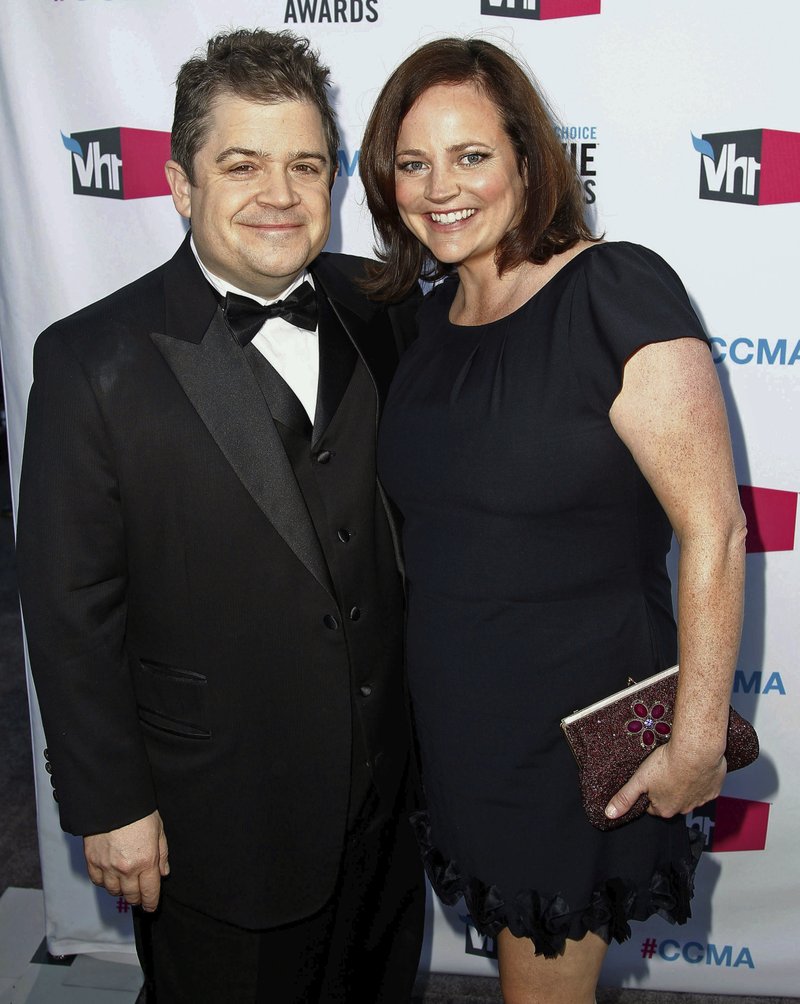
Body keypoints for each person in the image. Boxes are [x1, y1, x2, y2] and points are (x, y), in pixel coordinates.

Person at [16, 28, 425, 1004]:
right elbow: (69, 607)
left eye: (304, 165)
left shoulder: (382, 307)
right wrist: (110, 802)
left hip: (384, 798)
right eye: (240, 164)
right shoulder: (90, 361)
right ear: (180, 183)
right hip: (217, 813)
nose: (278, 195)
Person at [359, 37, 746, 1004]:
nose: (439, 187)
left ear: (529, 162)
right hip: (460, 727)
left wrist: (697, 737)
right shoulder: (430, 319)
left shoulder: (614, 291)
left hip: (573, 736)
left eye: (471, 155)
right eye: (414, 163)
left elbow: (716, 526)